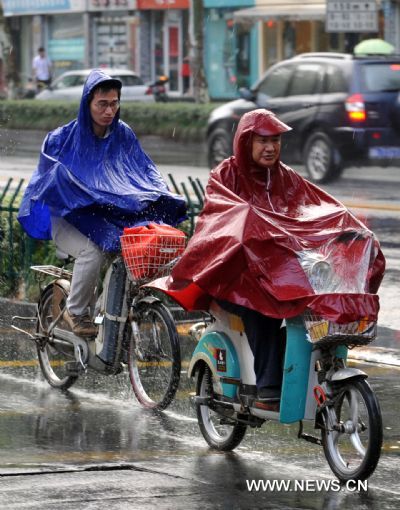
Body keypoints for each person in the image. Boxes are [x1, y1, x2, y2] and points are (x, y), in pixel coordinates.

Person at [150, 109, 385, 402]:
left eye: (275, 140)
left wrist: (349, 228)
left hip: (278, 273)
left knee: (317, 308)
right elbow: (224, 221)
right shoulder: (225, 176)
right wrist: (254, 226)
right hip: (230, 274)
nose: (270, 147)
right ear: (245, 143)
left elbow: (320, 209)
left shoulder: (285, 177)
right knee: (261, 309)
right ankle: (268, 386)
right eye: (262, 140)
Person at [18, 68, 186, 337]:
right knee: (92, 252)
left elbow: (144, 171)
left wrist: (162, 195)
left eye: (114, 103)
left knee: (130, 253)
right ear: (87, 103)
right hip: (67, 217)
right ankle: (76, 312)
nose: (109, 111)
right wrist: (77, 190)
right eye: (102, 104)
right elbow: (49, 178)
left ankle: (105, 311)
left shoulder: (124, 135)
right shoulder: (62, 138)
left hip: (105, 217)